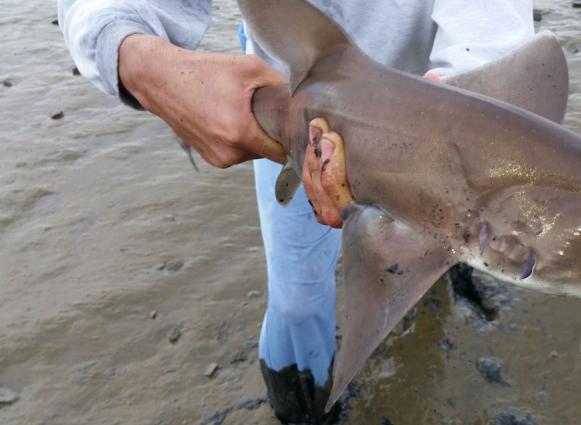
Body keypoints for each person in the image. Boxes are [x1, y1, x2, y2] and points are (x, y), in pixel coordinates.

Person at [58, 0, 534, 423]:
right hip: (298, 95)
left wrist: (463, 108)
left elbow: (496, 33)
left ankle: (445, 283)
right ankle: (303, 406)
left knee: (451, 237)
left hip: (443, 98)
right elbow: (100, 10)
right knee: (297, 302)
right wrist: (144, 63)